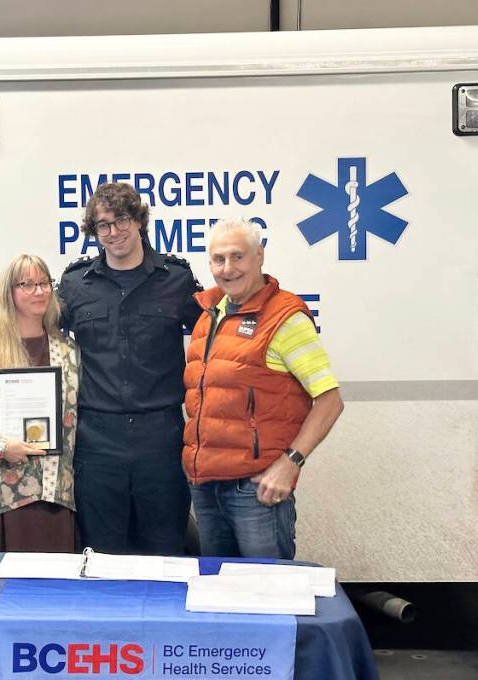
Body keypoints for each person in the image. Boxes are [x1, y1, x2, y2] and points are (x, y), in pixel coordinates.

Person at [183, 219, 344, 559]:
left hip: (256, 492)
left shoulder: (285, 317)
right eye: (218, 259)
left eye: (237, 257)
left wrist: (291, 463)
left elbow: (330, 401)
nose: (228, 268)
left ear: (259, 257)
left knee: (268, 597)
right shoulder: (208, 316)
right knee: (218, 599)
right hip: (206, 488)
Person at [57, 182, 202, 556]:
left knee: (167, 551)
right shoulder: (75, 284)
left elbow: (215, 338)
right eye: (102, 225)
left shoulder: (176, 279)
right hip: (97, 441)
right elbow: (35, 338)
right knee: (101, 553)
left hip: (162, 439)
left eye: (121, 219)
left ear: (139, 221)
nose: (113, 232)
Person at [0, 254, 80, 559]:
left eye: (44, 283)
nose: (39, 291)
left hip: (54, 498)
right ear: (8, 292)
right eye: (27, 284)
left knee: (50, 600)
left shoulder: (69, 351)